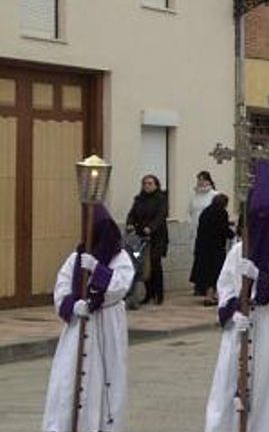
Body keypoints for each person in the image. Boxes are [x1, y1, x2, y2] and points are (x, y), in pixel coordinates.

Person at [204, 162, 269, 432]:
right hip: (239, 326)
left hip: (268, 326)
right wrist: (233, 310)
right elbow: (225, 285)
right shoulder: (239, 250)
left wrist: (259, 277)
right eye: (257, 217)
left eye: (268, 217)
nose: (262, 224)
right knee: (230, 385)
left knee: (267, 387)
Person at [43, 204, 135, 432]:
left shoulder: (119, 257)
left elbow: (122, 285)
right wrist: (74, 306)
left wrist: (98, 270)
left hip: (106, 325)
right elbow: (62, 287)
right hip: (78, 328)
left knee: (103, 379)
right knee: (68, 380)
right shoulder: (77, 256)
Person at [126, 174, 169, 305]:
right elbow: (132, 214)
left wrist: (151, 228)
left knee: (155, 263)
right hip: (141, 237)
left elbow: (161, 215)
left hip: (157, 237)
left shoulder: (161, 199)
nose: (147, 186)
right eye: (145, 183)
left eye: (150, 183)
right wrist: (130, 223)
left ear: (156, 185)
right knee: (143, 264)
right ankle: (148, 293)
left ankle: (159, 294)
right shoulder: (139, 199)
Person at [192, 194, 235, 306]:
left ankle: (209, 295)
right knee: (214, 272)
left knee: (206, 272)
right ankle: (210, 296)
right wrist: (233, 234)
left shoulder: (206, 211)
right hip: (215, 248)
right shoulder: (221, 213)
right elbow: (222, 229)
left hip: (202, 247)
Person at [189, 171, 220, 296]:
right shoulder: (195, 196)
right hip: (197, 230)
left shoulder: (215, 195)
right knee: (198, 259)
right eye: (199, 179)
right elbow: (191, 211)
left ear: (209, 181)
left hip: (209, 233)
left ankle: (209, 287)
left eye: (203, 179)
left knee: (208, 260)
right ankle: (199, 284)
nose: (201, 182)